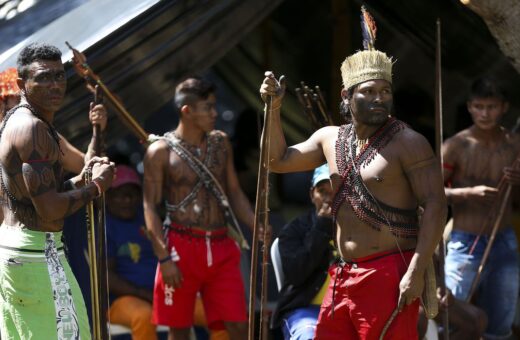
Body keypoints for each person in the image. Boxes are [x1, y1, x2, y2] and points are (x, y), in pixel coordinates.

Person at [259, 10, 447, 339]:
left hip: (389, 272)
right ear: (347, 95)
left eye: (385, 92)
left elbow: (435, 205)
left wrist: (416, 271)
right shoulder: (329, 138)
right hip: (343, 274)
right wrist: (274, 107)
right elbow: (276, 160)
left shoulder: (409, 143)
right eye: (369, 92)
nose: (379, 99)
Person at [0, 42, 114, 339]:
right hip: (37, 253)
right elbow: (49, 208)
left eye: (59, 76)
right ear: (23, 84)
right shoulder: (33, 130)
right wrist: (97, 186)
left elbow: (72, 176)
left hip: (20, 250)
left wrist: (97, 134)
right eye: (43, 77)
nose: (55, 85)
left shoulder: (28, 124)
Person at [143, 77, 255, 340]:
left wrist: (255, 223)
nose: (215, 113)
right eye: (208, 107)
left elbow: (235, 192)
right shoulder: (159, 152)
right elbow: (149, 206)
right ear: (187, 111)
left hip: (221, 246)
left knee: (238, 326)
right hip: (179, 249)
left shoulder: (221, 143)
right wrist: (164, 258)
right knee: (179, 330)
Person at [442, 76, 520, 339]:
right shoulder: (455, 146)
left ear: (504, 108)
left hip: (504, 240)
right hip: (464, 242)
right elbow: (428, 193)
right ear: (469, 107)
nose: (485, 113)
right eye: (479, 106)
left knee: (500, 322)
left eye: (492, 107)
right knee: (446, 315)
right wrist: (467, 193)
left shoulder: (515, 146)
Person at [271, 163, 335, 340]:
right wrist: (322, 226)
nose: (329, 198)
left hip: (348, 310)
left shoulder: (359, 230)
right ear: (312, 195)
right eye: (322, 191)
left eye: (335, 191)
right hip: (306, 310)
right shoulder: (294, 230)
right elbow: (296, 274)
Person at [106, 164, 157, 340]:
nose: (127, 200)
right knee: (144, 316)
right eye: (120, 194)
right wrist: (147, 295)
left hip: (165, 295)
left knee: (216, 312)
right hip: (122, 302)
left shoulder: (148, 220)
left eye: (131, 194)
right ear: (107, 197)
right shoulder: (104, 226)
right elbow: (107, 277)